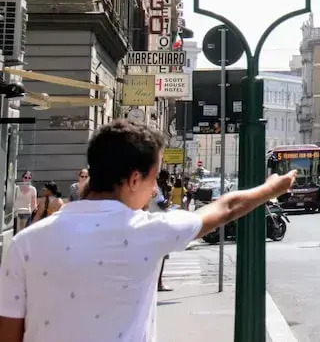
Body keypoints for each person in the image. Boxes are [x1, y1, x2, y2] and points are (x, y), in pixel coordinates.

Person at [0, 119, 296, 342]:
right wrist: (272, 188)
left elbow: (9, 332)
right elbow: (225, 209)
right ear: (133, 179)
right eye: (153, 179)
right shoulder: (149, 232)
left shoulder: (25, 243)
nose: (155, 190)